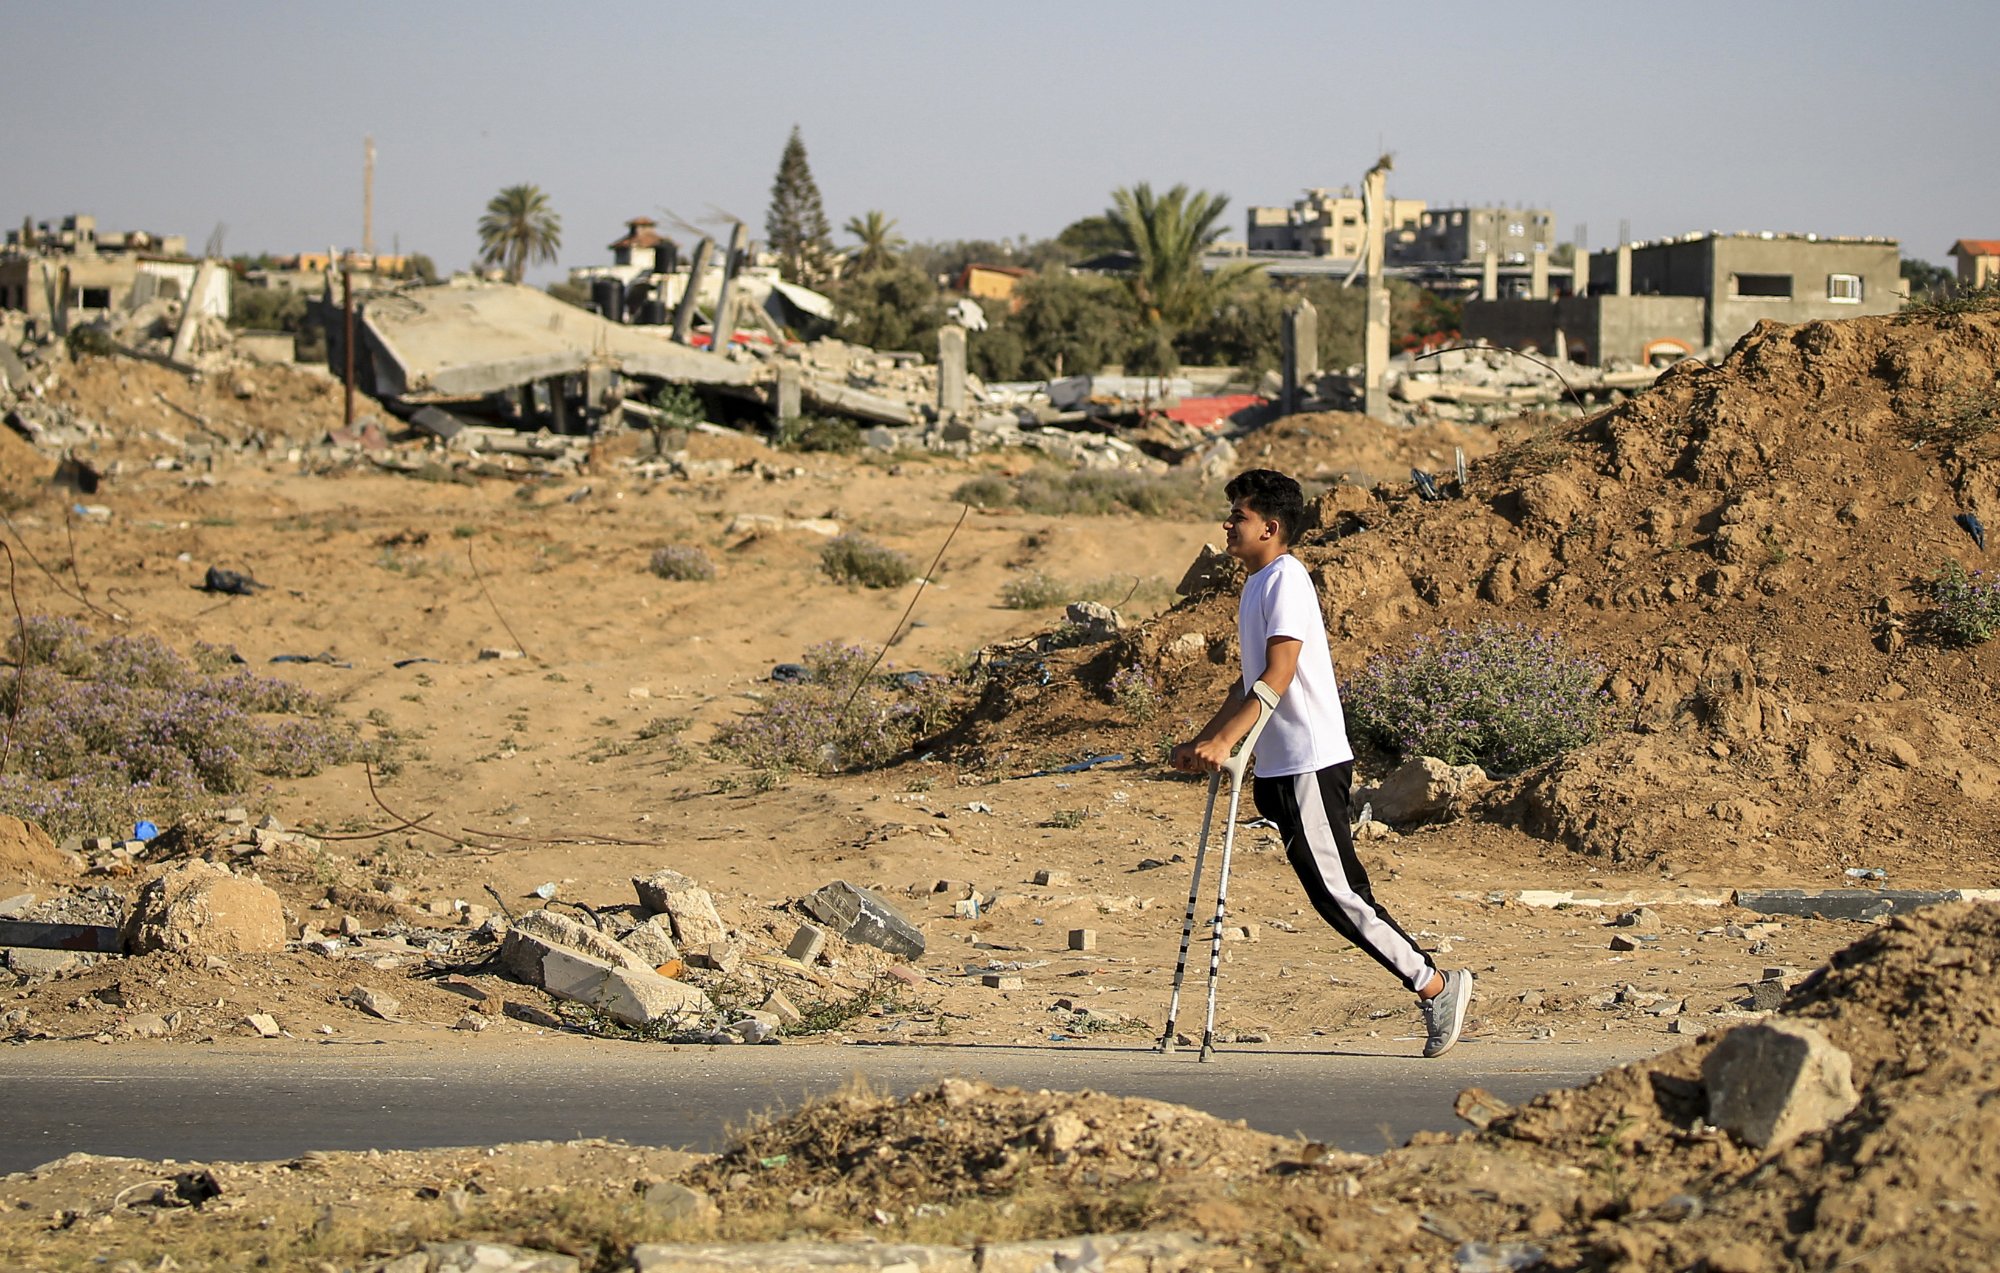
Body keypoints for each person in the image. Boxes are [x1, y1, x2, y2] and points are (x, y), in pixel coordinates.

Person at [1170, 469, 1473, 1058]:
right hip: (1280, 765)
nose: (1228, 525)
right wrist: (1204, 739)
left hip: (1310, 759)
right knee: (1328, 892)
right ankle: (1432, 982)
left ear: (1271, 528)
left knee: (1337, 892)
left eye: (1239, 516)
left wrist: (1229, 742)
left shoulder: (1286, 578)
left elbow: (1278, 675)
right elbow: (1247, 681)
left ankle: (1436, 985)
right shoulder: (1256, 584)